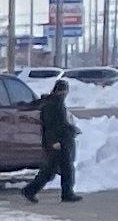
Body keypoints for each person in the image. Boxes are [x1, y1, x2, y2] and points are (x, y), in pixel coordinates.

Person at [23, 73, 78, 202]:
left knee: (50, 171)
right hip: (56, 143)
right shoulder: (53, 105)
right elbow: (51, 125)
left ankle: (30, 190)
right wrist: (54, 141)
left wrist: (71, 130)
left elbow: (61, 124)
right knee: (66, 169)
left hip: (59, 141)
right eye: (64, 91)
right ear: (62, 91)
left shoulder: (55, 103)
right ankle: (67, 194)